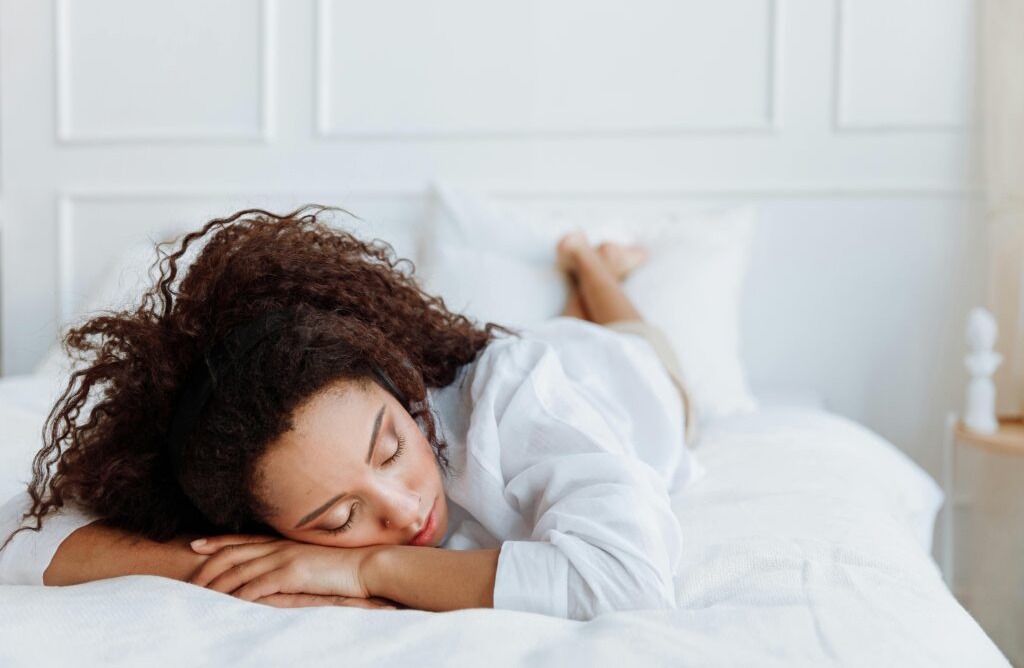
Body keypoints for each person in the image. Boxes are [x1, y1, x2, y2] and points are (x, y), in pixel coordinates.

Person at [0, 206, 704, 620]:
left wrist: (367, 567)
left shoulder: (514, 396)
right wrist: (237, 566)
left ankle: (591, 262)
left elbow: (628, 580)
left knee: (625, 335)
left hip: (630, 377)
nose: (401, 512)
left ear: (399, 384)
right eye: (337, 518)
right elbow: (14, 540)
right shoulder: (253, 471)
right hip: (552, 364)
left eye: (392, 447)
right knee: (559, 332)